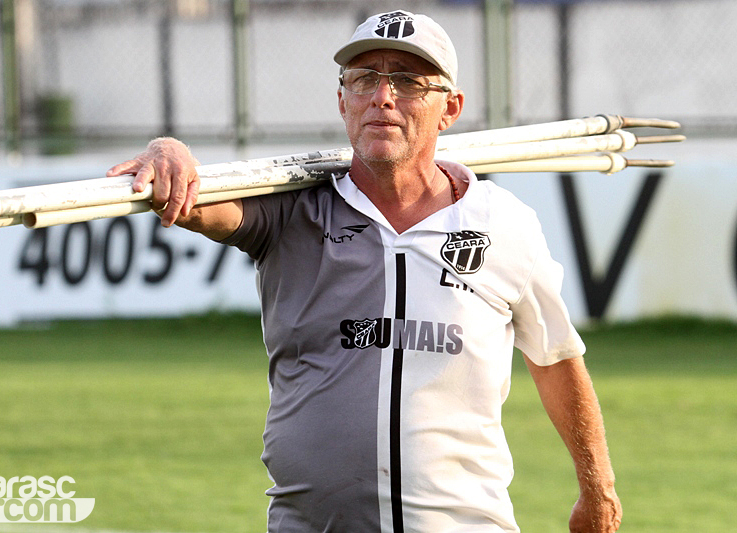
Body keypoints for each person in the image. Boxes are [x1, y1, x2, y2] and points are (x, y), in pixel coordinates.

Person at [107, 10, 622, 533]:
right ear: (342, 100)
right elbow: (195, 205)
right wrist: (168, 152)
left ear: (451, 108)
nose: (383, 97)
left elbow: (556, 358)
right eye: (364, 79)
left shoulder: (505, 224)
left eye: (406, 80)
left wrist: (597, 490)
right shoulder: (291, 213)